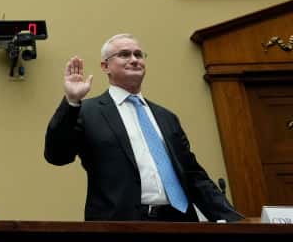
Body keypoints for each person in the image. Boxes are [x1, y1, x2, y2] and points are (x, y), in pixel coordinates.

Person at [44, 33, 243, 222]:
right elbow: (57, 156)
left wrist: (236, 221)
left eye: (138, 54)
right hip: (120, 224)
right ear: (105, 66)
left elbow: (193, 175)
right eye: (124, 54)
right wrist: (72, 102)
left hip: (179, 221)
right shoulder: (87, 112)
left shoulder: (166, 117)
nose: (134, 60)